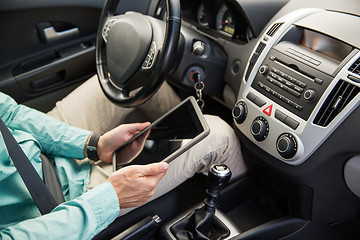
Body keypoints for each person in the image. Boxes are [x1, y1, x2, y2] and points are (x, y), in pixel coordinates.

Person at [0, 75, 246, 239]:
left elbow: (8, 115)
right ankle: (251, 205)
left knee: (131, 79)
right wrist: (110, 198)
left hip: (36, 150)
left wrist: (93, 144)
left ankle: (179, 136)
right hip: (57, 203)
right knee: (218, 135)